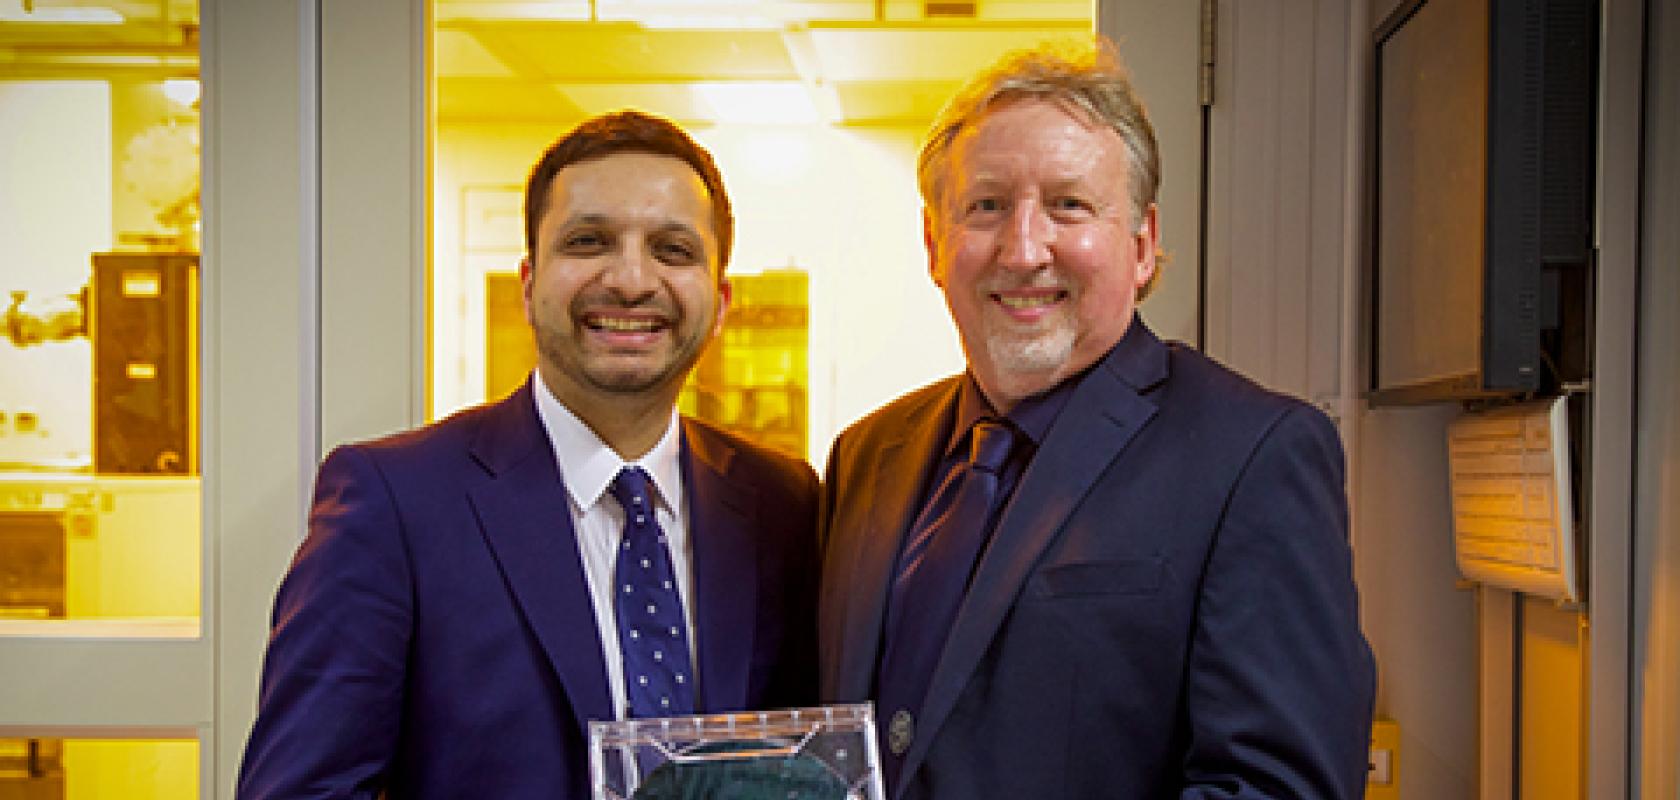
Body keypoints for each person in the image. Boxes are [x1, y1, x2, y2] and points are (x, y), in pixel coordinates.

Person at [817, 38, 1375, 800]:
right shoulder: (865, 455)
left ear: (1141, 246)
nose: (1023, 248)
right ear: (933, 245)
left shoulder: (1253, 455)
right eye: (986, 206)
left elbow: (1278, 789)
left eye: (1068, 206)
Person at [239, 111, 820, 799]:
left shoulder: (782, 503)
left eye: (672, 250)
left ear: (719, 302)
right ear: (527, 283)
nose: (632, 280)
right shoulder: (394, 503)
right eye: (588, 241)